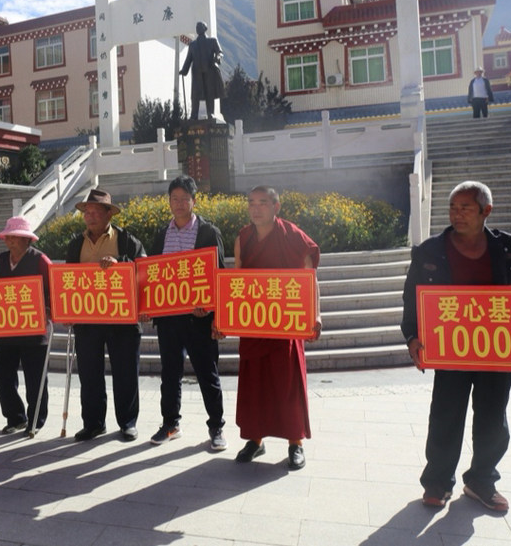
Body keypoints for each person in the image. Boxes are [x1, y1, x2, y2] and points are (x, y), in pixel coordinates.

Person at [402, 181, 511, 512]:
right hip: (451, 348)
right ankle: (438, 483)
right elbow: (412, 297)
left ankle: (481, 480)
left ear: (486, 211)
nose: (457, 214)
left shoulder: (507, 248)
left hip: (497, 350)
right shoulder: (430, 250)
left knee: (492, 418)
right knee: (445, 415)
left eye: (465, 208)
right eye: (453, 208)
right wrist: (412, 337)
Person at [232, 186, 321, 470]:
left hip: (285, 323)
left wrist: (315, 314)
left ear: (276, 207)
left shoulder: (291, 234)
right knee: (254, 383)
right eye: (251, 203)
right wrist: (225, 318)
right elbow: (237, 279)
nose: (256, 209)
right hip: (255, 322)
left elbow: (309, 274)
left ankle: (295, 443)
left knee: (288, 384)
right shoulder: (243, 237)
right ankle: (255, 440)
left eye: (262, 203)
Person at [147, 176, 227, 451]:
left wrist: (215, 314)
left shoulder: (207, 232)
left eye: (184, 199)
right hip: (169, 319)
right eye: (174, 199)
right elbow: (153, 274)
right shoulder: (161, 234)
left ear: (194, 201)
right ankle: (170, 423)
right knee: (169, 373)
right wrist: (149, 306)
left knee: (208, 373)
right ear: (169, 201)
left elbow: (218, 275)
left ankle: (216, 427)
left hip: (199, 318)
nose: (179, 204)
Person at [66, 188, 147, 442]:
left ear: (108, 214)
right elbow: (67, 280)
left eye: (95, 212)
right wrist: (67, 309)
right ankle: (93, 423)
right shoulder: (75, 243)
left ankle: (128, 422)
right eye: (86, 212)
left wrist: (120, 262)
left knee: (125, 372)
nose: (89, 216)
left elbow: (144, 269)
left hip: (122, 319)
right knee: (89, 374)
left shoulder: (127, 240)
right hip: (88, 319)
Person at [0, 216, 52, 436]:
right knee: (2, 376)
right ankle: (15, 417)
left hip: (34, 331)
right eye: (8, 237)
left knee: (36, 379)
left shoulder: (40, 260)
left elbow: (54, 289)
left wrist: (49, 310)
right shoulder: (1, 260)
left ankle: (36, 419)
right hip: (6, 328)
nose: (10, 241)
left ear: (27, 240)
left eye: (15, 237)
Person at [179, 21, 225, 120]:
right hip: (197, 72)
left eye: (200, 26)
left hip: (209, 71)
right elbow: (189, 59)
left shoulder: (212, 41)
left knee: (210, 93)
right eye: (197, 27)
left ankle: (210, 113)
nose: (198, 28)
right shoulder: (193, 45)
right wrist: (184, 70)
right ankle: (194, 115)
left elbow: (220, 52)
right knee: (195, 94)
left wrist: (217, 57)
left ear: (205, 28)